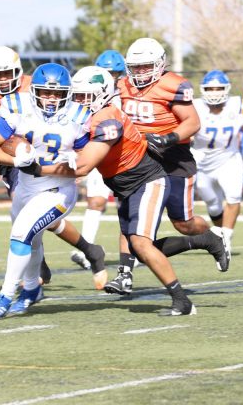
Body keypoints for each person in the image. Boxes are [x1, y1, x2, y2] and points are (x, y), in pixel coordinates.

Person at [68, 65, 216, 315]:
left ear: (102, 94)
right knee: (136, 244)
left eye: (86, 96)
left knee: (141, 243)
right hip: (124, 185)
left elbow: (83, 166)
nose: (80, 102)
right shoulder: (87, 117)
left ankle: (182, 301)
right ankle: (199, 242)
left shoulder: (107, 118)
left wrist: (39, 168)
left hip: (146, 181)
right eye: (77, 96)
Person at [0, 63, 107, 319]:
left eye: (57, 93)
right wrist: (15, 160)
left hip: (58, 190)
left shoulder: (79, 115)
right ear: (34, 91)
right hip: (25, 186)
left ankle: (6, 296)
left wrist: (72, 161)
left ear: (67, 93)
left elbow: (85, 160)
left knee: (21, 232)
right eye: (46, 92)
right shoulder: (18, 108)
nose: (51, 98)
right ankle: (32, 289)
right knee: (32, 239)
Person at [107, 37, 227, 295]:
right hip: (140, 159)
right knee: (129, 218)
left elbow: (192, 122)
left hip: (173, 158)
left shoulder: (173, 85)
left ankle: (211, 238)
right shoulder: (122, 86)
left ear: (160, 64)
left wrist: (168, 138)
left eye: (146, 66)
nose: (140, 72)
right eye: (135, 67)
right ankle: (124, 274)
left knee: (183, 224)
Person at [0, 46, 87, 284]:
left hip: (45, 155)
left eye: (8, 73)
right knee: (26, 214)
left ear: (18, 72)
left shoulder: (38, 86)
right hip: (9, 159)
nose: (3, 79)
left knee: (36, 215)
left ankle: (81, 251)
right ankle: (47, 264)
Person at [191, 70, 243, 265]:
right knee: (213, 205)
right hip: (202, 164)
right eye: (210, 89)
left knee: (234, 197)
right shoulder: (195, 107)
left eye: (218, 88)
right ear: (203, 90)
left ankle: (226, 237)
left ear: (227, 89)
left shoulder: (237, 106)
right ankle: (220, 235)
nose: (214, 92)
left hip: (229, 159)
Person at [70, 49, 126, 270]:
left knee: (128, 208)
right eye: (105, 72)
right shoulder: (85, 93)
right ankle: (87, 250)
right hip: (96, 151)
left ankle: (132, 252)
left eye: (114, 73)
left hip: (122, 156)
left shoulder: (127, 94)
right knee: (96, 201)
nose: (109, 77)